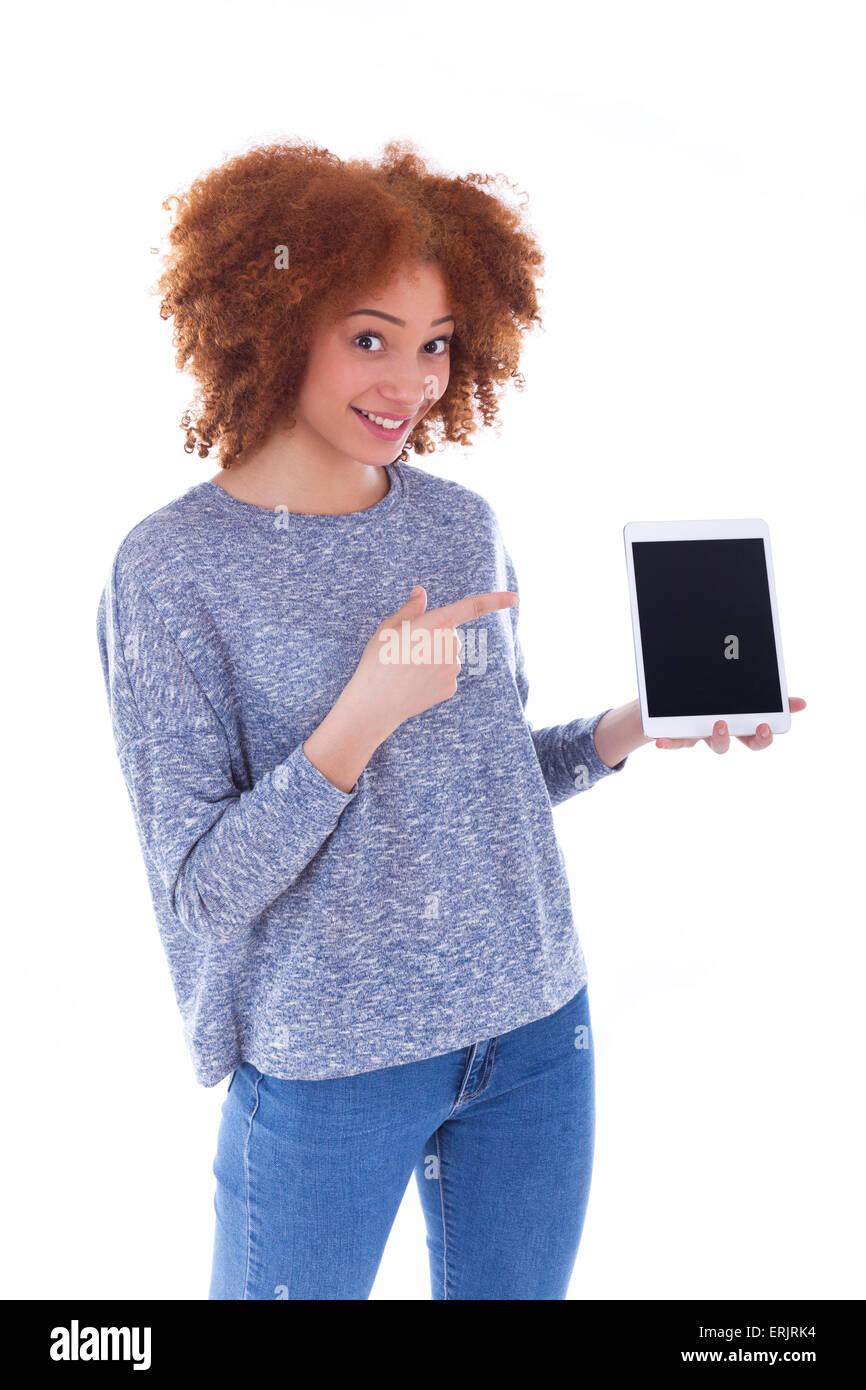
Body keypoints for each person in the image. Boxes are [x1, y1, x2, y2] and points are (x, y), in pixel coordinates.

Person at [95, 137, 805, 1300]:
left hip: (532, 1031)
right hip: (328, 1066)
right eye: (368, 338)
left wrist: (624, 729)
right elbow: (203, 888)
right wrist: (355, 718)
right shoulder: (174, 572)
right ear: (272, 323)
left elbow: (480, 780)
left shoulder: (456, 525)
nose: (408, 385)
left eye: (433, 347)